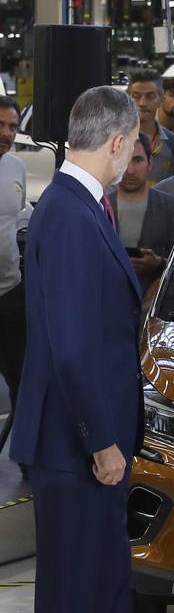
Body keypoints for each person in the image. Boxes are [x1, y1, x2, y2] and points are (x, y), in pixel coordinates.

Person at [9, 86, 166, 613]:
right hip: (75, 444)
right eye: (134, 141)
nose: (135, 152)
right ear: (118, 141)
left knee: (106, 585)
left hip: (93, 440)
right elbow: (71, 345)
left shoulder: (83, 206)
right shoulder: (70, 216)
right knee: (72, 589)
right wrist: (102, 440)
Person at [107, 132, 174, 294]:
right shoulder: (101, 207)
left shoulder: (173, 208)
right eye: (125, 161)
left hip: (157, 304)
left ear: (150, 163)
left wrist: (160, 264)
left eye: (137, 160)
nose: (130, 170)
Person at [0, 96, 27, 428]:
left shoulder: (16, 167)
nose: (6, 133)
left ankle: (23, 451)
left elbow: (19, 218)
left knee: (20, 375)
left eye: (12, 127)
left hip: (10, 291)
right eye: (0, 124)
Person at [128, 69, 174, 184]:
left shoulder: (172, 143)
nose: (142, 103)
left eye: (150, 97)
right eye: (136, 96)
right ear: (128, 99)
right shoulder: (116, 140)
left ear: (161, 100)